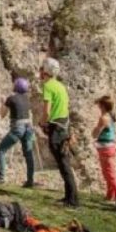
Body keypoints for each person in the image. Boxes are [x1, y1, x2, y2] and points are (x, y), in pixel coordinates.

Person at [39, 58, 78, 207]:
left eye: (42, 69)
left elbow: (47, 110)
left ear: (46, 71)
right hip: (64, 126)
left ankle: (73, 200)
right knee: (64, 162)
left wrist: (43, 122)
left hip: (56, 128)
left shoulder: (48, 86)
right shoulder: (60, 86)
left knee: (63, 164)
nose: (41, 71)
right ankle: (69, 197)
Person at [0, 77, 35, 187]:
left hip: (18, 128)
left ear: (16, 86)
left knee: (0, 150)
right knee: (28, 154)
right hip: (28, 127)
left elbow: (2, 115)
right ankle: (30, 181)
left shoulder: (11, 98)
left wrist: (3, 103)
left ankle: (1, 177)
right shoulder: (27, 99)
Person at [91, 95, 116, 201]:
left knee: (110, 174)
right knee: (108, 173)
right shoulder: (110, 116)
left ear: (103, 106)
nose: (98, 107)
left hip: (105, 148)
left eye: (99, 105)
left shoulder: (104, 118)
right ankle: (110, 195)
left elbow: (95, 134)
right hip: (109, 147)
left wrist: (94, 130)